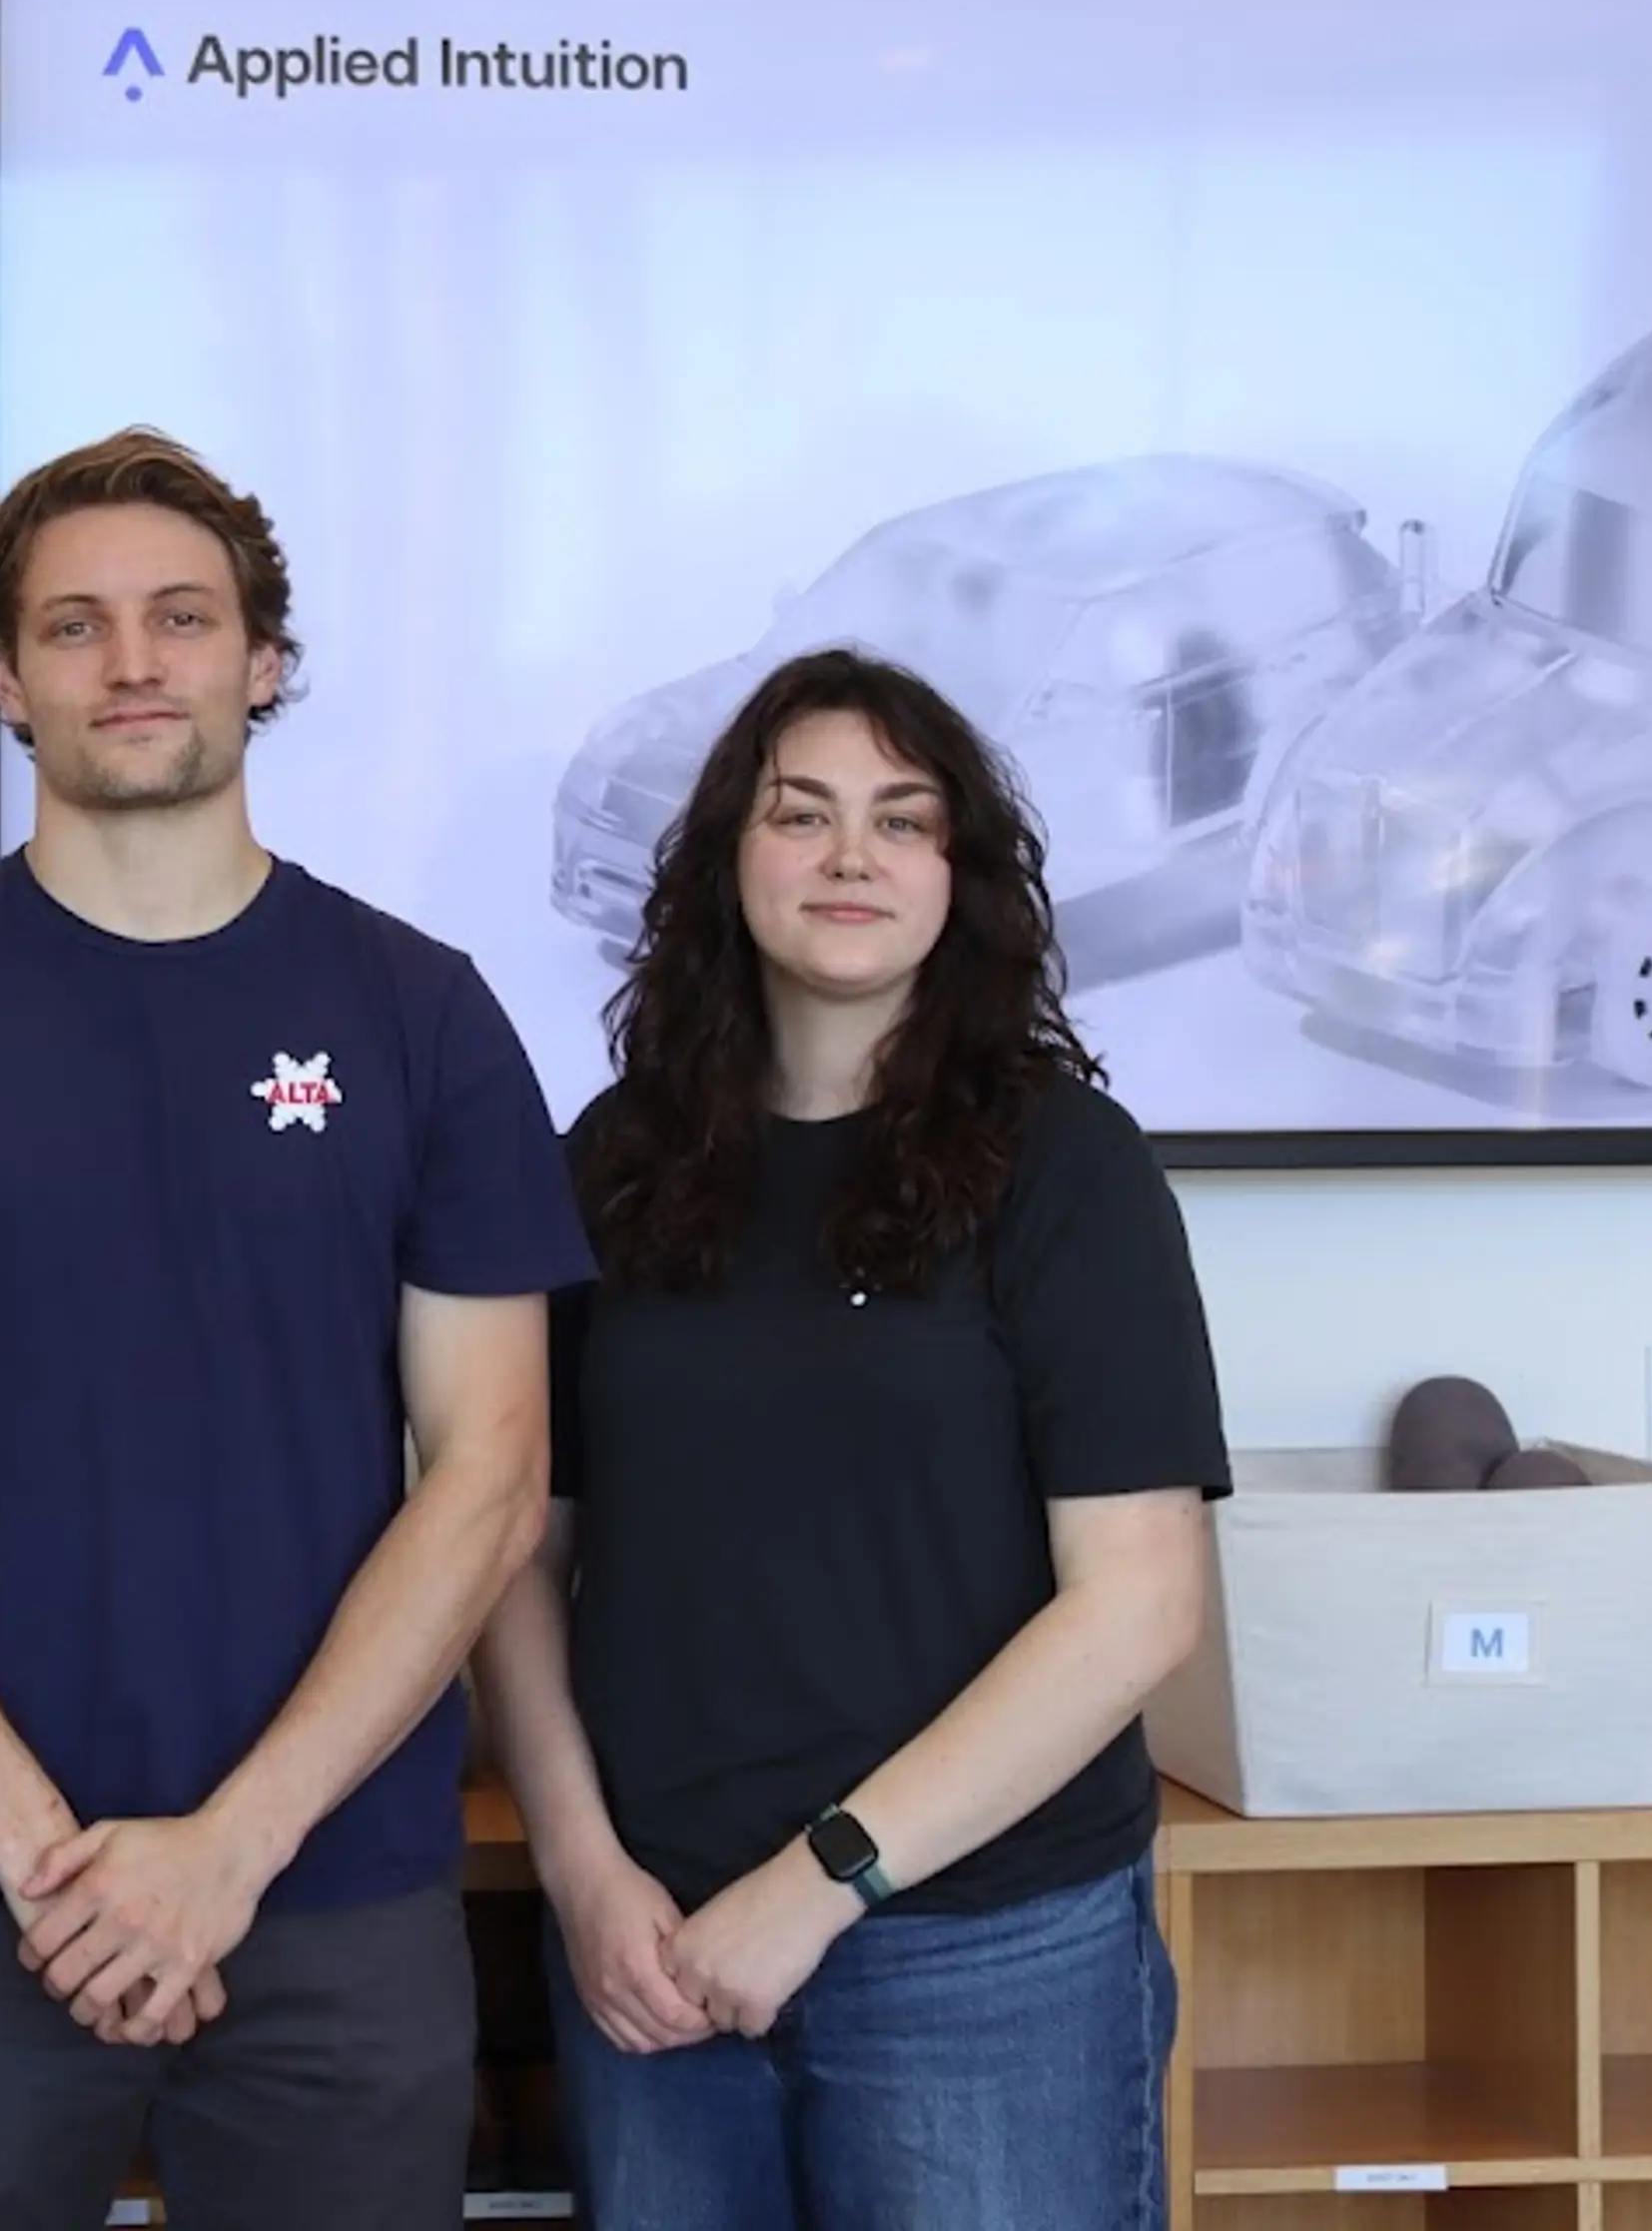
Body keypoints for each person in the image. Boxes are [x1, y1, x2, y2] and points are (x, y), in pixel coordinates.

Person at [0, 427, 591, 2231]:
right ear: (9, 680)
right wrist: (49, 1859)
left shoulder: (421, 1015)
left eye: (182, 617)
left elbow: (490, 1476)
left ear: (264, 661)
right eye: (74, 625)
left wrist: (228, 1853)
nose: (133, 661)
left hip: (334, 1892)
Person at [477, 646, 1230, 2230]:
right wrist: (584, 1873)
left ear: (961, 875)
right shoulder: (617, 1161)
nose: (848, 857)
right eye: (800, 813)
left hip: (982, 1954)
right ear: (727, 858)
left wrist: (823, 1881)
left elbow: (1141, 1602)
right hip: (652, 1954)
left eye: (901, 819)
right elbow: (515, 1554)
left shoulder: (1066, 1169)